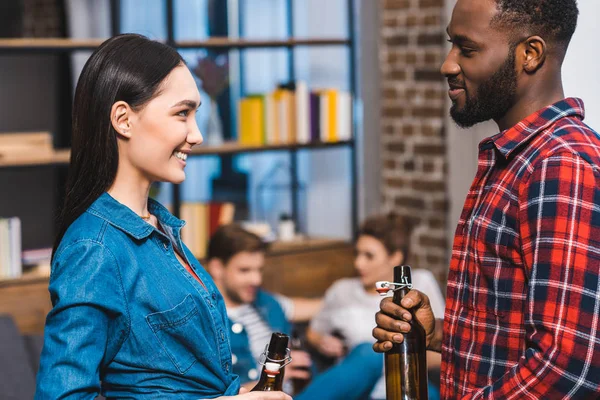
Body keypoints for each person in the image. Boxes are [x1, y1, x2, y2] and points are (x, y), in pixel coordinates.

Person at [34, 33, 291, 400]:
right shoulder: (94, 248)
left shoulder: (160, 228)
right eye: (182, 113)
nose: (197, 134)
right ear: (123, 119)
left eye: (196, 114)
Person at [372, 0, 600, 398]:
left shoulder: (559, 164)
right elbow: (518, 333)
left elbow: (569, 366)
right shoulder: (515, 158)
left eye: (467, 48)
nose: (447, 64)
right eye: (451, 45)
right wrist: (441, 331)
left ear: (530, 54)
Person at [303, 213, 445, 400]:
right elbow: (313, 333)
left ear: (395, 257)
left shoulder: (419, 283)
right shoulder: (342, 290)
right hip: (358, 387)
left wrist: (397, 355)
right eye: (357, 254)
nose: (358, 263)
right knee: (367, 352)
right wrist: (322, 342)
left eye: (368, 256)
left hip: (405, 381)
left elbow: (443, 350)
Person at [205, 224, 320, 392]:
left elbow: (313, 307)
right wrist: (274, 375)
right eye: (245, 270)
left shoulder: (265, 301)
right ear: (217, 268)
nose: (256, 279)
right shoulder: (205, 319)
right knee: (365, 357)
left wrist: (318, 336)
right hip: (262, 394)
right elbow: (213, 395)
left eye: (259, 270)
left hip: (303, 390)